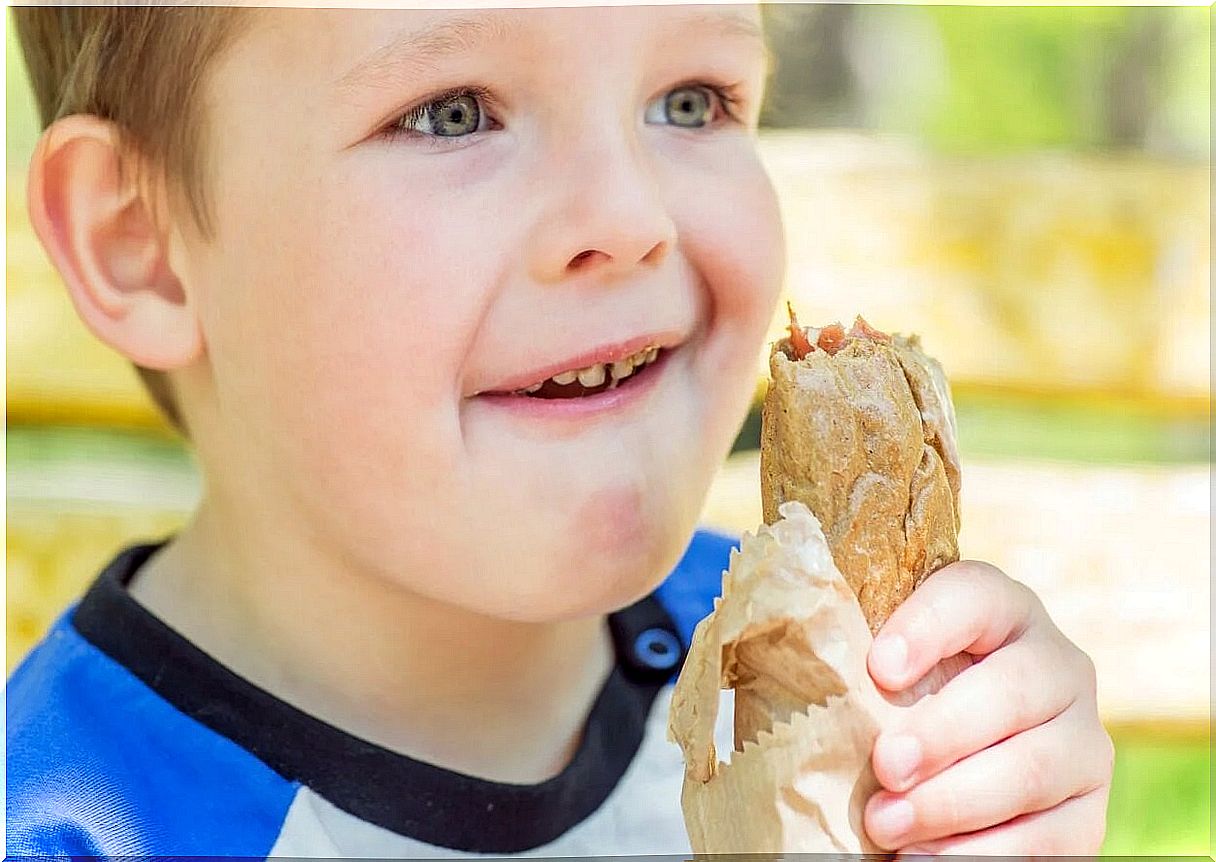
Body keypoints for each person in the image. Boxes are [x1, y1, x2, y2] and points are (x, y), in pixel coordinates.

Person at [6, 5, 1113, 857]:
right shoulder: (76, 820)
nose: (629, 219)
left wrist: (986, 805)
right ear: (138, 241)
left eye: (691, 100)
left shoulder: (829, 675)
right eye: (452, 112)